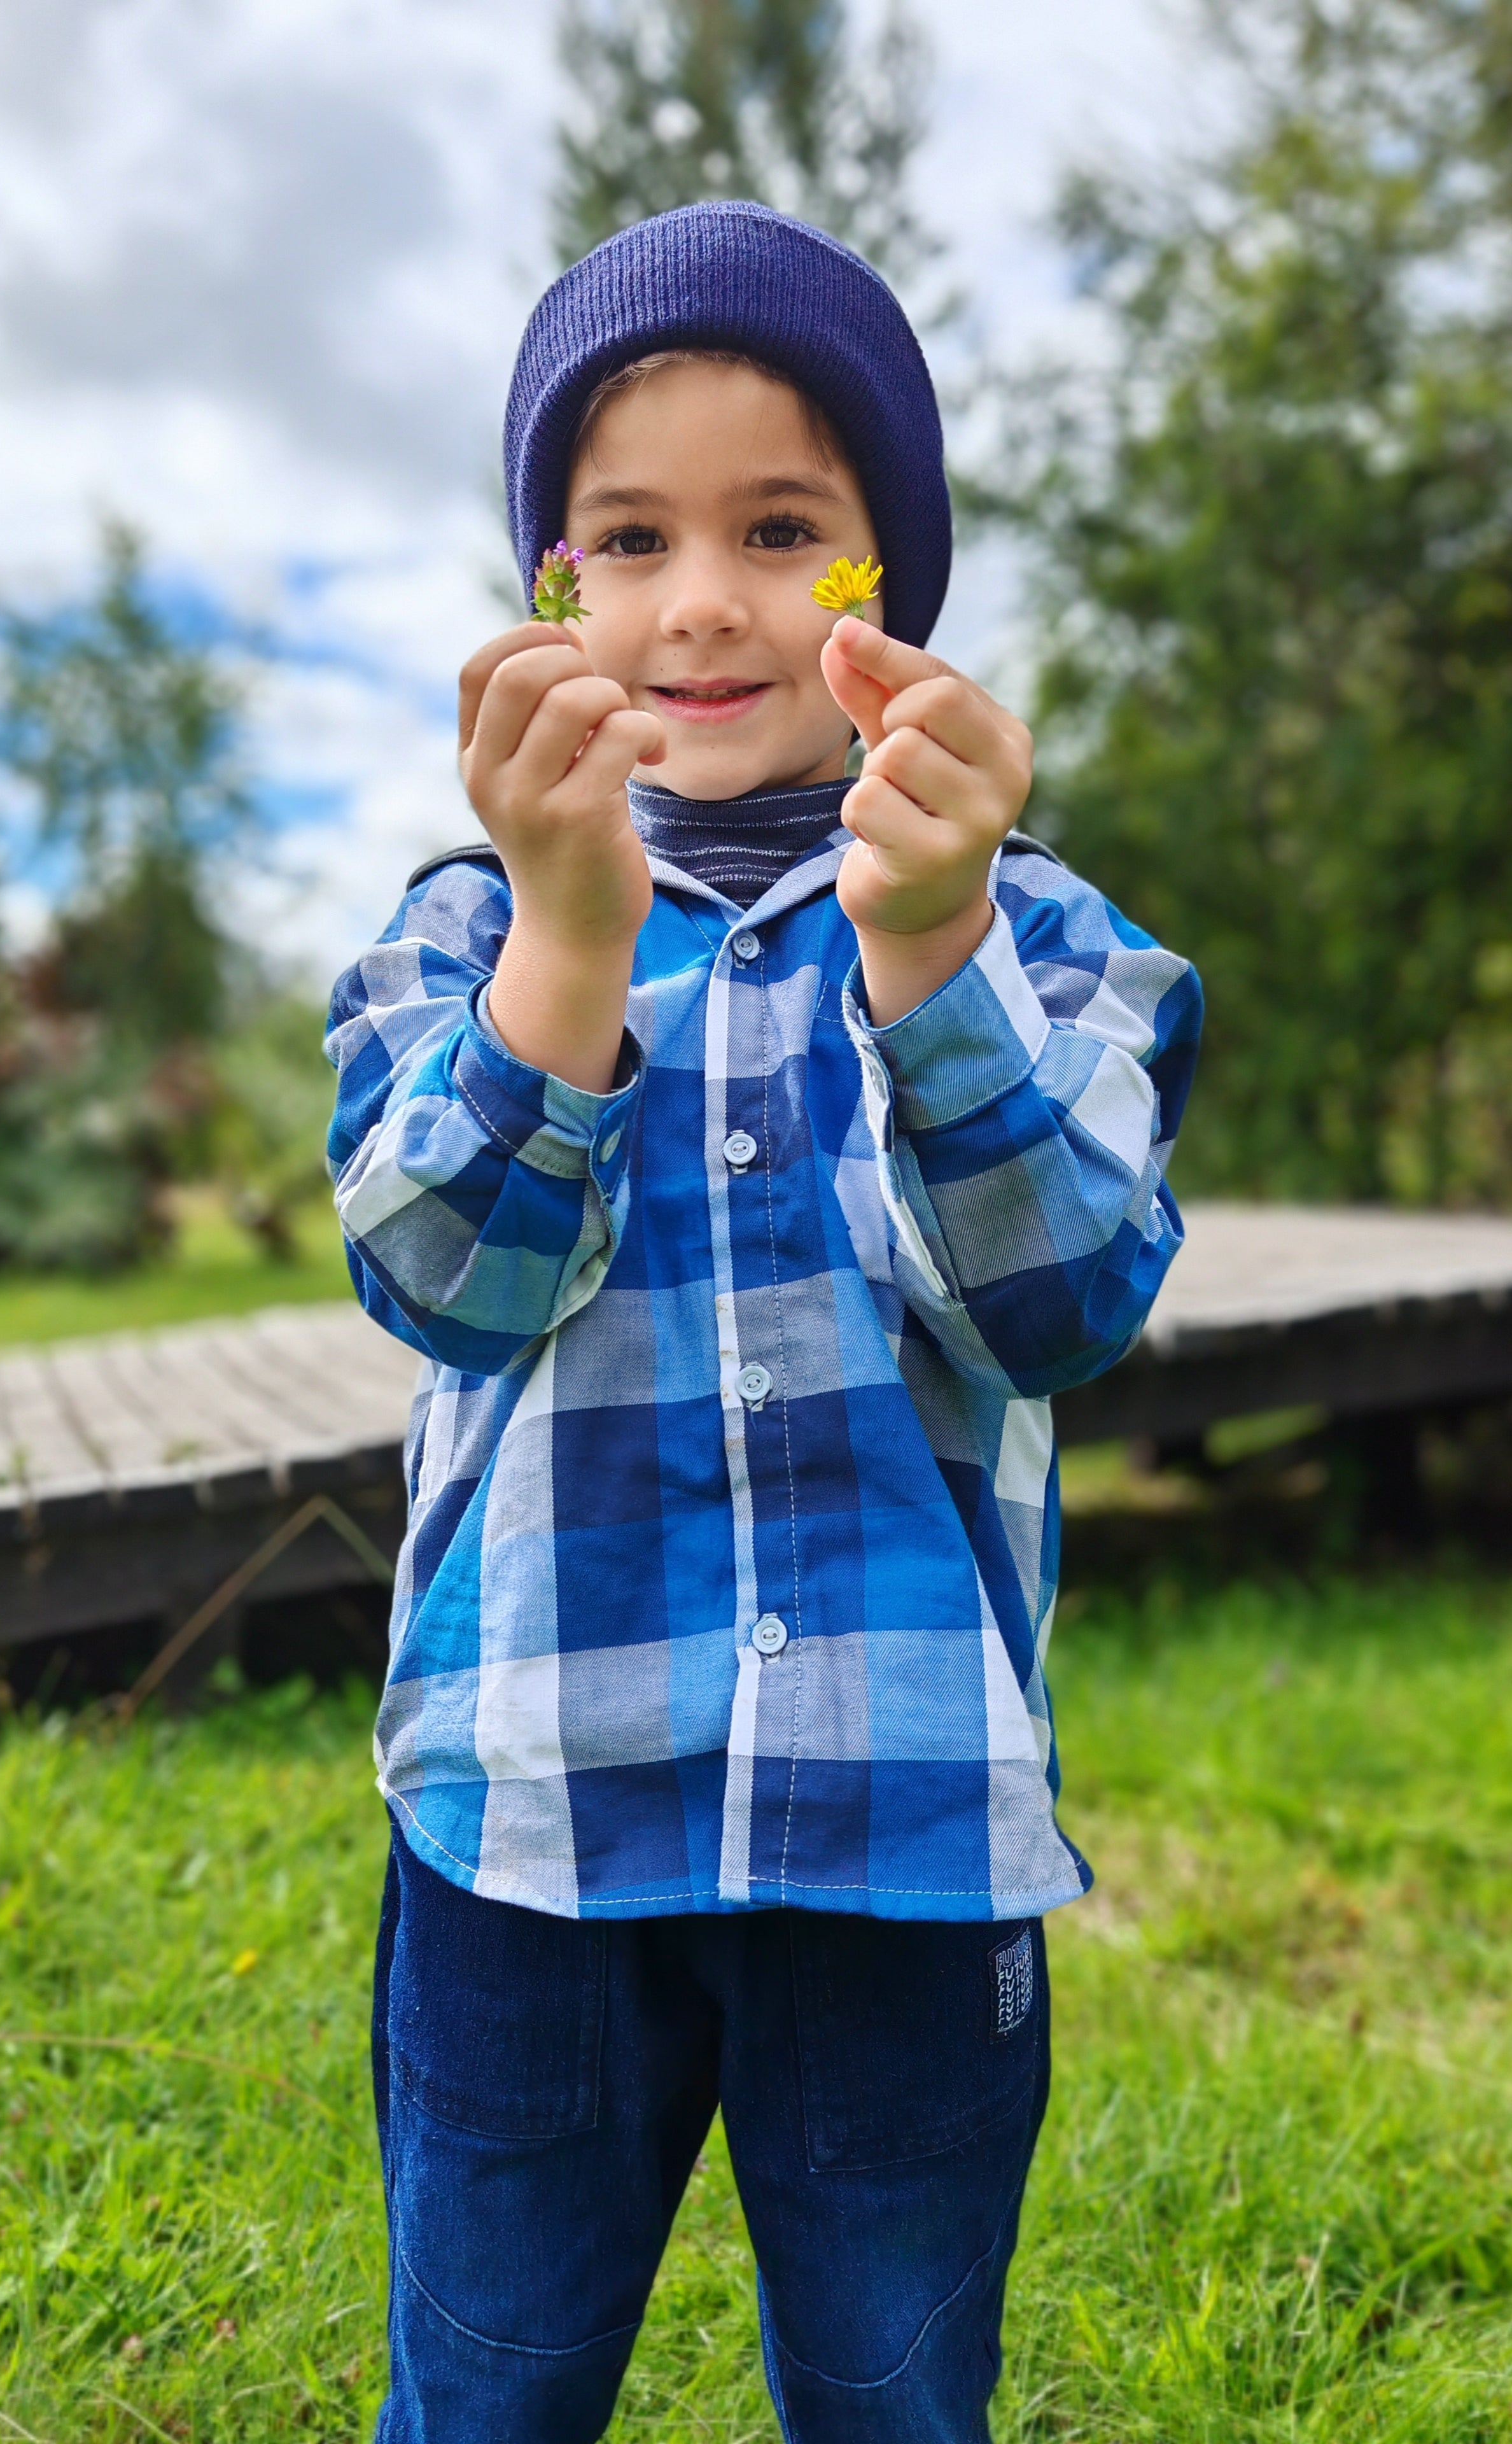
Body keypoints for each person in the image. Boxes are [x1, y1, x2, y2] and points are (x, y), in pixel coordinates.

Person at [326, 200, 1202, 2444]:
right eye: (624, 539)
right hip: (530, 1831)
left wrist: (927, 948)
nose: (698, 599)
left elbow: (1060, 1299)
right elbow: (445, 1283)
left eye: (780, 527)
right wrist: (565, 940)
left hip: (904, 1834)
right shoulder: (453, 936)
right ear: (553, 598)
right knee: (488, 2386)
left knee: (899, 2393)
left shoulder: (1051, 935)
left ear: (881, 585)